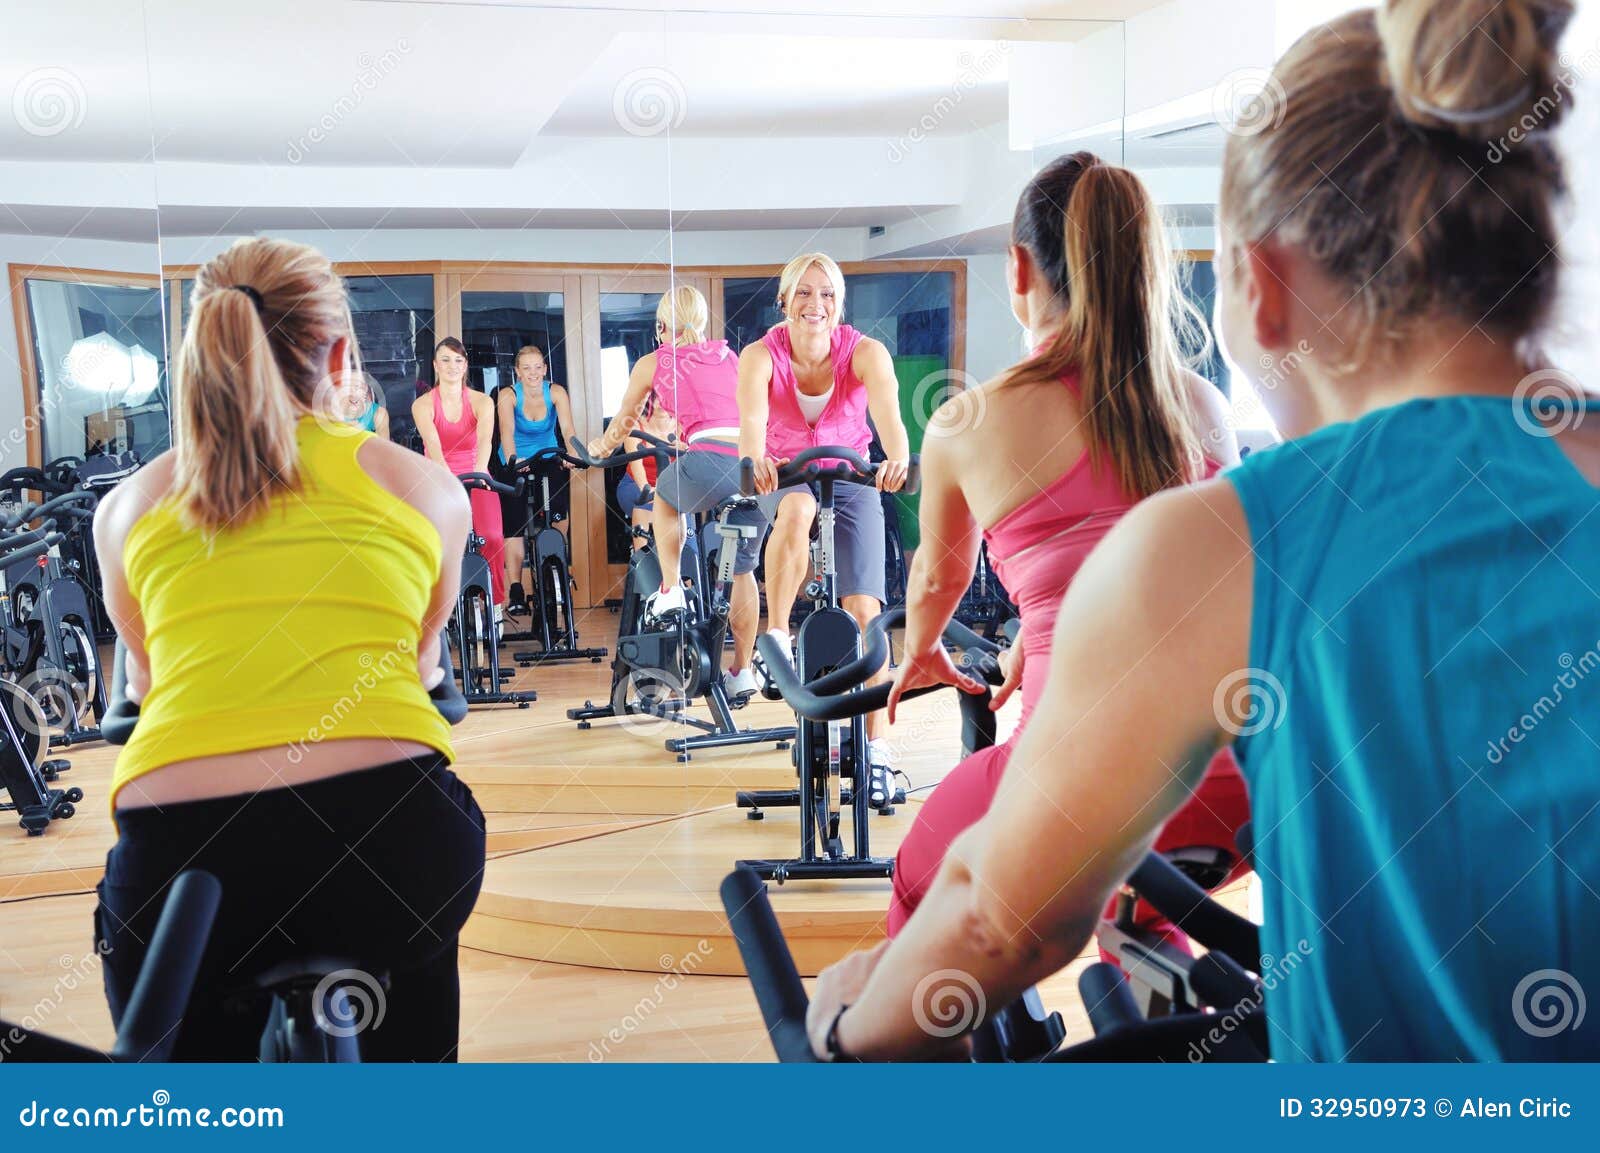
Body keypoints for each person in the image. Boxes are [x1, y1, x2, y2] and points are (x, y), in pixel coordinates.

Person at [806, 0, 1600, 1063]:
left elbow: (1002, 919)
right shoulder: (1216, 465)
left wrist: (849, 1022)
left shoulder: (1228, 542)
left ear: (1260, 288)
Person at [92, 237, 485, 1061]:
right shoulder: (425, 489)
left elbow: (144, 685)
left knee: (181, 1098)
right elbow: (424, 667)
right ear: (341, 356)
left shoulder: (127, 510)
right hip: (390, 847)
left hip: (185, 874)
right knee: (414, 1035)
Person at [881, 152, 1246, 941]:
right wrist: (1055, 639)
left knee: (918, 883)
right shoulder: (1207, 408)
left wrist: (925, 650)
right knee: (1145, 908)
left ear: (1019, 269)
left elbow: (937, 582)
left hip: (1077, 791)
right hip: (1236, 789)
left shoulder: (968, 421)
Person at [738, 252, 911, 802]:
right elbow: (751, 423)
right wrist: (753, 460)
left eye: (827, 294)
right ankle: (780, 636)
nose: (816, 305)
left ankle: (878, 752)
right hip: (786, 477)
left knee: (866, 614)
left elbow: (889, 417)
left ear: (839, 303)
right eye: (804, 293)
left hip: (852, 474)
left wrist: (897, 460)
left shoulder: (865, 353)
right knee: (797, 511)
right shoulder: (760, 356)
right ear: (784, 300)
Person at [590, 285, 768, 701]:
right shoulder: (730, 356)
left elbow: (624, 422)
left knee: (662, 498)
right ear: (703, 322)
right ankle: (741, 670)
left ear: (662, 325)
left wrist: (597, 451)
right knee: (743, 571)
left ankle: (671, 589)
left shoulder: (655, 361)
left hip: (708, 458)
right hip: (754, 467)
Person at [413, 337, 507, 612]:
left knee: (491, 537)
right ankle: (441, 606)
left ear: (465, 365)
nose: (452, 366)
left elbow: (486, 440)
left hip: (476, 472)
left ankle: (494, 604)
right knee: (438, 543)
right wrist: (445, 478)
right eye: (445, 360)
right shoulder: (423, 405)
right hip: (440, 475)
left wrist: (479, 473)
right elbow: (433, 445)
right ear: (435, 365)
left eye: (457, 360)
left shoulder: (481, 401)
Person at [494, 345, 576, 605]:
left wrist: (572, 455)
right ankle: (517, 587)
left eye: (538, 367)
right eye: (526, 368)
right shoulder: (508, 395)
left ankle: (558, 558)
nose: (533, 373)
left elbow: (568, 429)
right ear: (517, 372)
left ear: (545, 369)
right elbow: (506, 431)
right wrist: (514, 460)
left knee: (559, 507)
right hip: (515, 457)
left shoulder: (555, 392)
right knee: (514, 518)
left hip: (547, 455)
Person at [616, 394, 676, 547]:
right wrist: (651, 492)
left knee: (680, 508)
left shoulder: (682, 425)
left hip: (671, 489)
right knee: (651, 501)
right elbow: (640, 476)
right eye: (658, 397)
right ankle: (642, 559)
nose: (663, 402)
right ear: (649, 400)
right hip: (636, 485)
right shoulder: (634, 426)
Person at [338, 371, 390, 439]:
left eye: (357, 386)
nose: (353, 393)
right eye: (347, 386)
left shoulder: (378, 413)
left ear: (365, 388)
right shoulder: (329, 412)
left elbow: (384, 447)